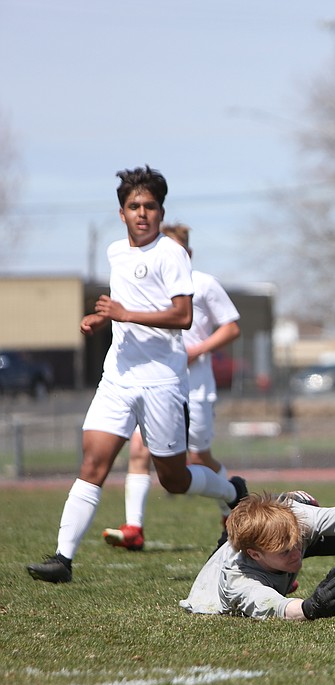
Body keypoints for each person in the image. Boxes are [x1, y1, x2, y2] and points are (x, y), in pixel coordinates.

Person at [27, 166, 247, 584]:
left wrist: (125, 313)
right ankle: (62, 559)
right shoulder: (116, 253)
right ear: (121, 212)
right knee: (93, 462)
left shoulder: (171, 253)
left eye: (149, 206)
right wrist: (101, 318)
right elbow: (126, 307)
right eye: (134, 206)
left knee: (175, 479)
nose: (142, 213)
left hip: (163, 381)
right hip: (118, 377)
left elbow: (182, 316)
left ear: (160, 212)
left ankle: (232, 491)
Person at [103, 223, 242, 552]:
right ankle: (134, 528)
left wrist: (199, 349)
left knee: (198, 457)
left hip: (194, 388)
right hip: (153, 384)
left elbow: (232, 328)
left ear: (187, 254)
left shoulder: (204, 285)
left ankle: (231, 506)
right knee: (139, 451)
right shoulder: (145, 287)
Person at [180, 490, 335, 620]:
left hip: (275, 543)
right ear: (255, 554)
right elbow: (278, 607)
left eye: (297, 543)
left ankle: (293, 502)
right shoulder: (238, 580)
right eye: (285, 551)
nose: (296, 553)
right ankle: (232, 512)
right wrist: (313, 607)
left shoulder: (294, 516)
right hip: (212, 596)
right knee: (231, 542)